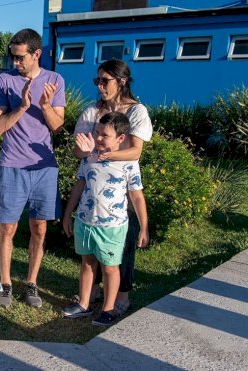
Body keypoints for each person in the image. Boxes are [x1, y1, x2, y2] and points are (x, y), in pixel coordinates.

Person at [0, 28, 66, 308]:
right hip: (12, 165)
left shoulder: (55, 80)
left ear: (37, 54)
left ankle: (31, 284)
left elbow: (57, 126)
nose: (15, 63)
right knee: (7, 228)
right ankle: (6, 284)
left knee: (39, 228)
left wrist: (44, 105)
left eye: (20, 58)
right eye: (13, 57)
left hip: (44, 168)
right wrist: (21, 107)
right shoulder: (3, 81)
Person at [72, 59, 153, 317]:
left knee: (122, 246)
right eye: (97, 80)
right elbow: (79, 151)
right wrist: (87, 153)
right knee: (92, 249)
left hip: (121, 184)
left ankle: (121, 295)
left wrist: (101, 156)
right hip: (94, 186)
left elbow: (135, 151)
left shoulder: (137, 112)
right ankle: (91, 294)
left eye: (105, 81)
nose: (100, 86)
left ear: (122, 81)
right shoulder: (90, 111)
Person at [62, 112, 149, 326]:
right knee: (87, 262)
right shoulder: (88, 156)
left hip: (112, 227)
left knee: (110, 268)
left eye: (105, 135)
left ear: (121, 138)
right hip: (85, 222)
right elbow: (80, 185)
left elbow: (136, 196)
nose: (99, 138)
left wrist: (144, 228)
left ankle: (108, 309)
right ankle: (83, 304)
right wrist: (68, 214)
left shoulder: (129, 164)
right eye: (97, 133)